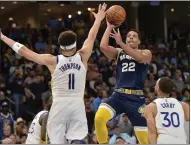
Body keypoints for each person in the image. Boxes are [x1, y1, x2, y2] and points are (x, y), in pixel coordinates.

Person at [0, 3, 107, 144]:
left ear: (60, 46)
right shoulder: (83, 55)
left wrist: (2, 37)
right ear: (75, 45)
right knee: (77, 141)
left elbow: (25, 52)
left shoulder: (53, 61)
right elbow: (91, 36)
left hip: (59, 107)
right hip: (77, 105)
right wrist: (98, 19)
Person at [94, 20, 152, 144]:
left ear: (139, 42)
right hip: (119, 96)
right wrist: (109, 27)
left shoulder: (145, 52)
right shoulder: (119, 52)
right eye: (129, 36)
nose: (131, 37)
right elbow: (103, 47)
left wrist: (120, 43)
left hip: (136, 99)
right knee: (99, 118)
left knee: (144, 140)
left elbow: (139, 58)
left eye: (134, 36)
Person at [144, 77, 189, 144]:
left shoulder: (150, 107)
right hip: (181, 141)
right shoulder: (184, 105)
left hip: (164, 141)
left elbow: (152, 133)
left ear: (158, 88)